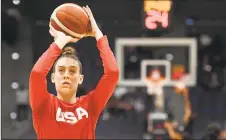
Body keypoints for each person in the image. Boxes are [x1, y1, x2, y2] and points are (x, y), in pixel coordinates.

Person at [29, 5, 119, 139]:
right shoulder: (43, 104)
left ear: (80, 78)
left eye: (72, 71)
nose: (66, 75)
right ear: (53, 77)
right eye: (61, 70)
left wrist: (97, 34)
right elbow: (37, 74)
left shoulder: (90, 104)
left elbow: (113, 72)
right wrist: (61, 40)